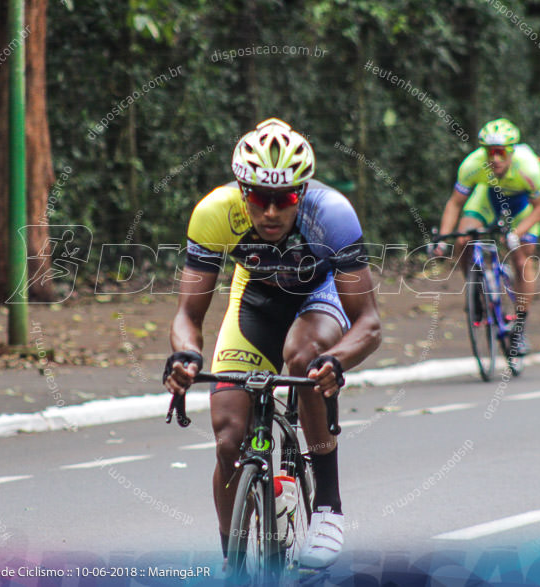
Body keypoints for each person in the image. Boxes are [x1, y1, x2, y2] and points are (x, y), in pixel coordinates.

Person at [162, 118, 381, 569]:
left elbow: (369, 324)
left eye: (286, 200)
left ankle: (327, 506)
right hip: (257, 303)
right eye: (260, 198)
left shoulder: (333, 213)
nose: (271, 212)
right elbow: (188, 315)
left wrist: (335, 362)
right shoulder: (214, 213)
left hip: (317, 299)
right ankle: (233, 564)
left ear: (303, 191)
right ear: (242, 190)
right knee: (228, 440)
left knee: (303, 357)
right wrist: (185, 355)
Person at [436, 118, 540, 355]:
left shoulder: (529, 168)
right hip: (488, 202)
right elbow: (455, 203)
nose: (494, 158)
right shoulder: (473, 164)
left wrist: (516, 234)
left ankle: (519, 328)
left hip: (522, 211)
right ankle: (475, 290)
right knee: (463, 239)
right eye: (489, 152)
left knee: (521, 259)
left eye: (500, 152)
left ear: (512, 152)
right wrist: (442, 237)